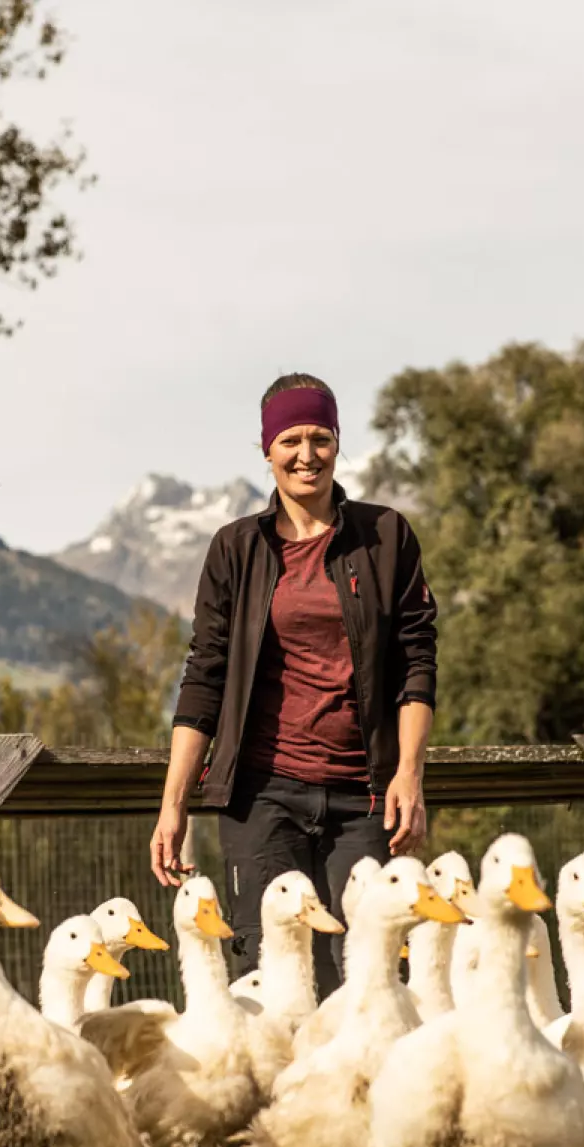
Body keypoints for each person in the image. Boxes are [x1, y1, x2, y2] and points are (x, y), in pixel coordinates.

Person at [149, 372, 437, 996]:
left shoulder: (385, 536)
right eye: (291, 440)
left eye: (320, 437)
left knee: (367, 980)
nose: (307, 455)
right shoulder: (236, 549)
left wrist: (408, 775)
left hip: (364, 798)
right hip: (261, 799)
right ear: (267, 450)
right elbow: (204, 675)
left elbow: (417, 661)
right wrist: (174, 803)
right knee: (273, 982)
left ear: (337, 442)